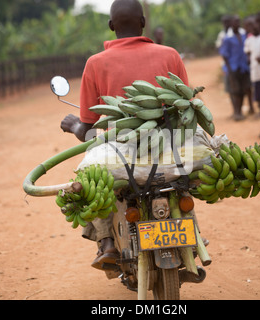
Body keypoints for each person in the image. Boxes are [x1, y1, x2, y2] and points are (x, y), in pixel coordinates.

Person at [60, 0, 189, 270]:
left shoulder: (95, 63)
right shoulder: (171, 55)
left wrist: (74, 126)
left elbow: (87, 127)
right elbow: (185, 110)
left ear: (111, 26)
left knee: (87, 180)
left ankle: (106, 241)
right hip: (168, 148)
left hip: (118, 150)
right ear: (143, 23)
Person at [220, 15, 251, 121]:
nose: (237, 24)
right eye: (235, 22)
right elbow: (224, 55)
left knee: (242, 90)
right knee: (235, 90)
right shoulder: (227, 38)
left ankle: (240, 112)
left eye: (238, 21)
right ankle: (236, 112)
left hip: (243, 67)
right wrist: (229, 70)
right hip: (233, 68)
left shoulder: (243, 35)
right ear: (231, 24)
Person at [244, 16, 260, 137]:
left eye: (254, 24)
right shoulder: (249, 40)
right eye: (249, 26)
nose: (253, 28)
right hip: (256, 75)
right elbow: (248, 55)